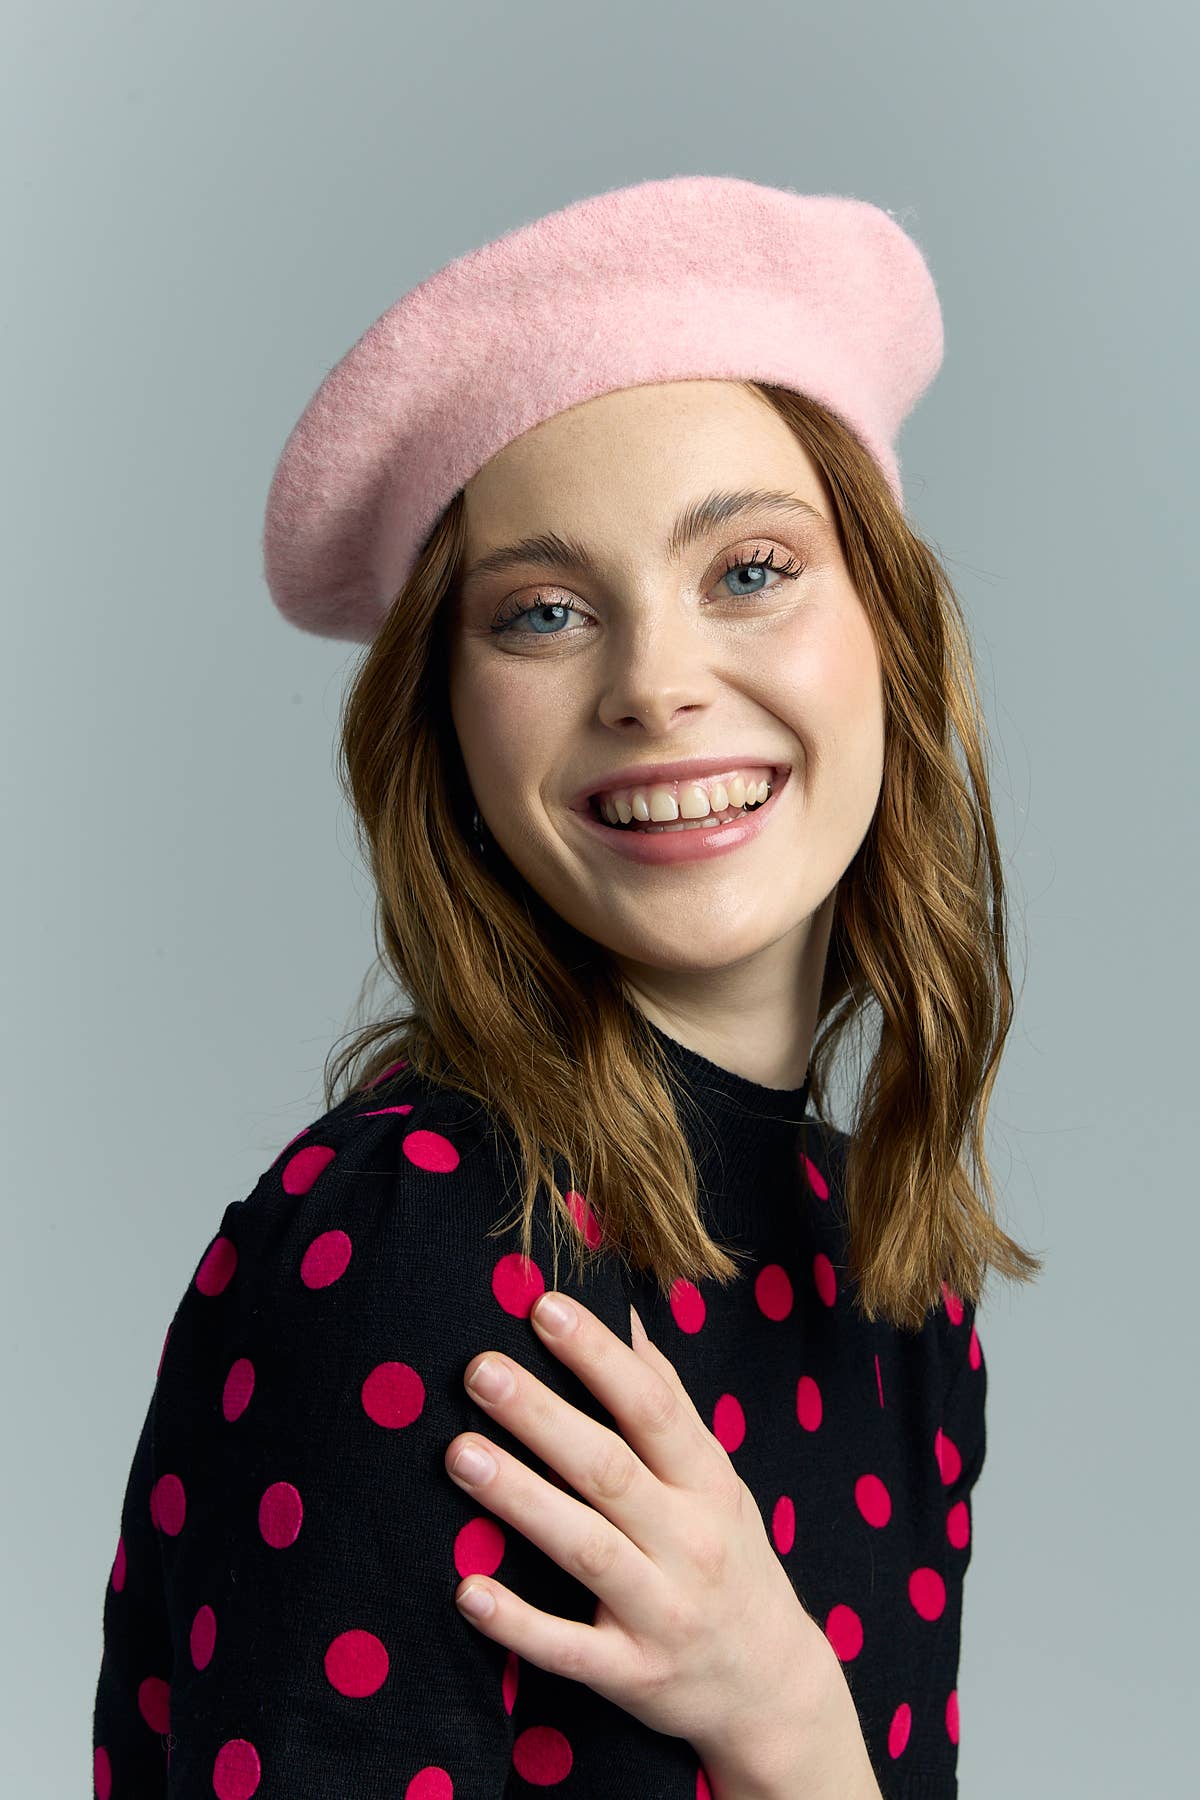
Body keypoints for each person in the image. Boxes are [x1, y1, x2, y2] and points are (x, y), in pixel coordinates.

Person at [92, 175, 1042, 1798]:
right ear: (451, 732)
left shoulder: (896, 1281)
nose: (655, 685)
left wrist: (792, 1724)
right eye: (542, 612)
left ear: (888, 631)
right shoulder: (418, 1248)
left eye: (750, 569)